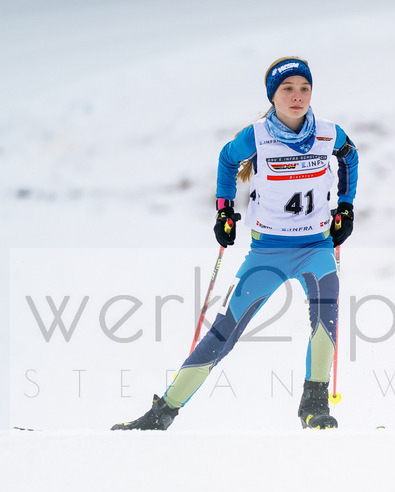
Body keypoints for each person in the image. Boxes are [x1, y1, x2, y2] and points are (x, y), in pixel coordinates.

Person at [112, 56, 359, 430]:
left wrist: (345, 206)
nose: (297, 97)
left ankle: (314, 407)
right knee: (224, 333)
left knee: (326, 324)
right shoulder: (256, 136)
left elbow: (350, 156)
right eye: (288, 89)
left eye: (304, 89)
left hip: (317, 248)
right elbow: (228, 161)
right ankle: (162, 413)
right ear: (272, 96)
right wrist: (225, 212)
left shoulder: (328, 132)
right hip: (268, 252)